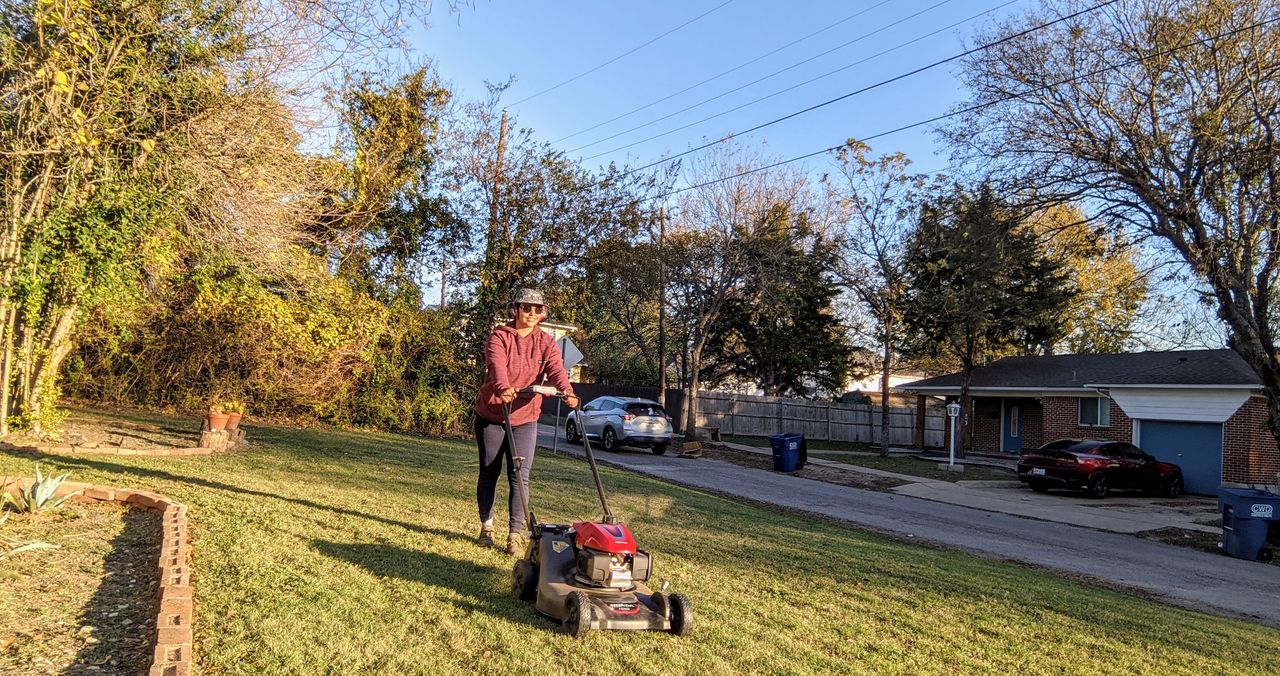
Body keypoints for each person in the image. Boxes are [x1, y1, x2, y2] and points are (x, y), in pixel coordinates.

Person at [474, 288, 579, 555]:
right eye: (526, 308)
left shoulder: (546, 342)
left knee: (520, 476)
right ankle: (487, 529)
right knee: (489, 472)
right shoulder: (500, 336)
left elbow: (556, 370)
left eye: (537, 309)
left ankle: (514, 535)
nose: (532, 313)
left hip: (526, 417)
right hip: (493, 414)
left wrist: (567, 392)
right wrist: (502, 387)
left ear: (542, 313)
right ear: (516, 309)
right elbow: (496, 365)